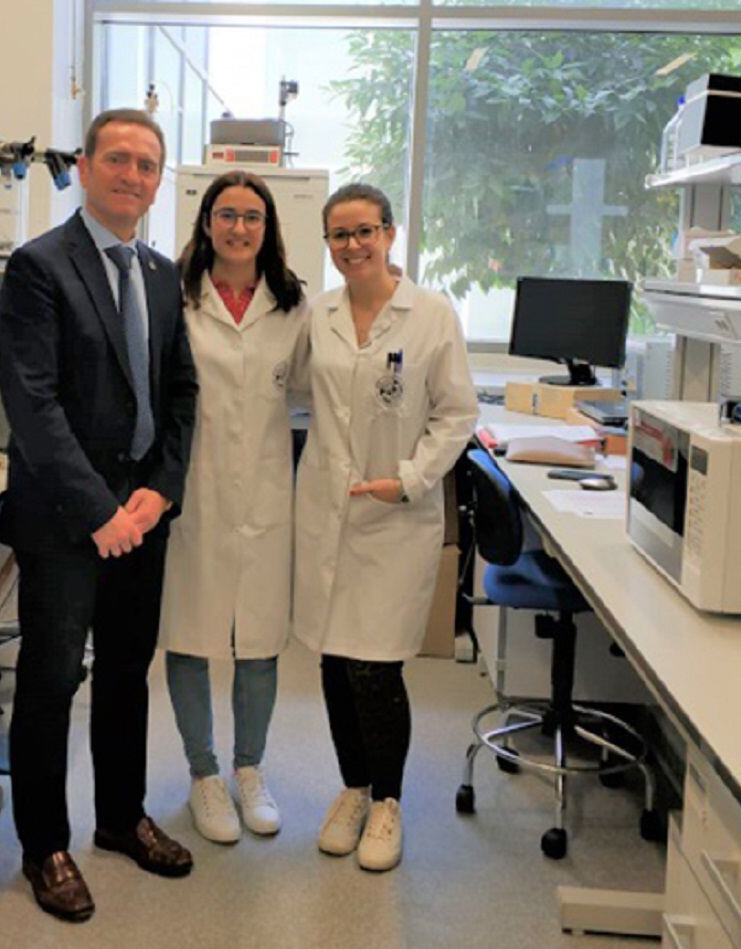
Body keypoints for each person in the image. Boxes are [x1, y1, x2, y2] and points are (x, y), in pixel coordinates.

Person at [0, 108, 198, 923]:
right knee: (50, 681)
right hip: (66, 520)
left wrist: (162, 489)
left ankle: (120, 816)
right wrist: (98, 510)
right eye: (117, 159)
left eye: (147, 165)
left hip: (141, 517)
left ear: (157, 181)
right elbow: (33, 405)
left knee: (124, 673)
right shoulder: (38, 267)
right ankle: (45, 843)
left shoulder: (158, 272)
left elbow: (180, 393)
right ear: (85, 167)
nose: (132, 175)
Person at [293, 183, 478, 872]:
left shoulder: (431, 315)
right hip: (327, 509)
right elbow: (291, 392)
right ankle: (353, 787)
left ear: (390, 233)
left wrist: (408, 477)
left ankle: (390, 801)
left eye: (364, 231)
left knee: (376, 664)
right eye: (339, 235)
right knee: (336, 659)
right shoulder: (320, 313)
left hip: (396, 512)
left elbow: (456, 415)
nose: (352, 246)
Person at [159, 170, 308, 844]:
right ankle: (204, 774)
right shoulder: (175, 294)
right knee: (189, 632)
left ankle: (251, 769)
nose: (239, 227)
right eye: (227, 214)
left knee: (259, 639)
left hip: (267, 492)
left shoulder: (294, 303)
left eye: (252, 216)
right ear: (207, 222)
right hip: (193, 490)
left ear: (268, 227)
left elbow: (313, 388)